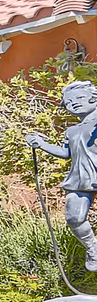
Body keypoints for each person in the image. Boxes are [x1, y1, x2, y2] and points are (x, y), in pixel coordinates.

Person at [28, 79, 97, 270]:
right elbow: (66, 153)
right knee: (74, 218)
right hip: (80, 177)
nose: (73, 104)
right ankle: (93, 249)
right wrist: (41, 144)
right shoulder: (72, 130)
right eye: (69, 102)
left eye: (79, 98)